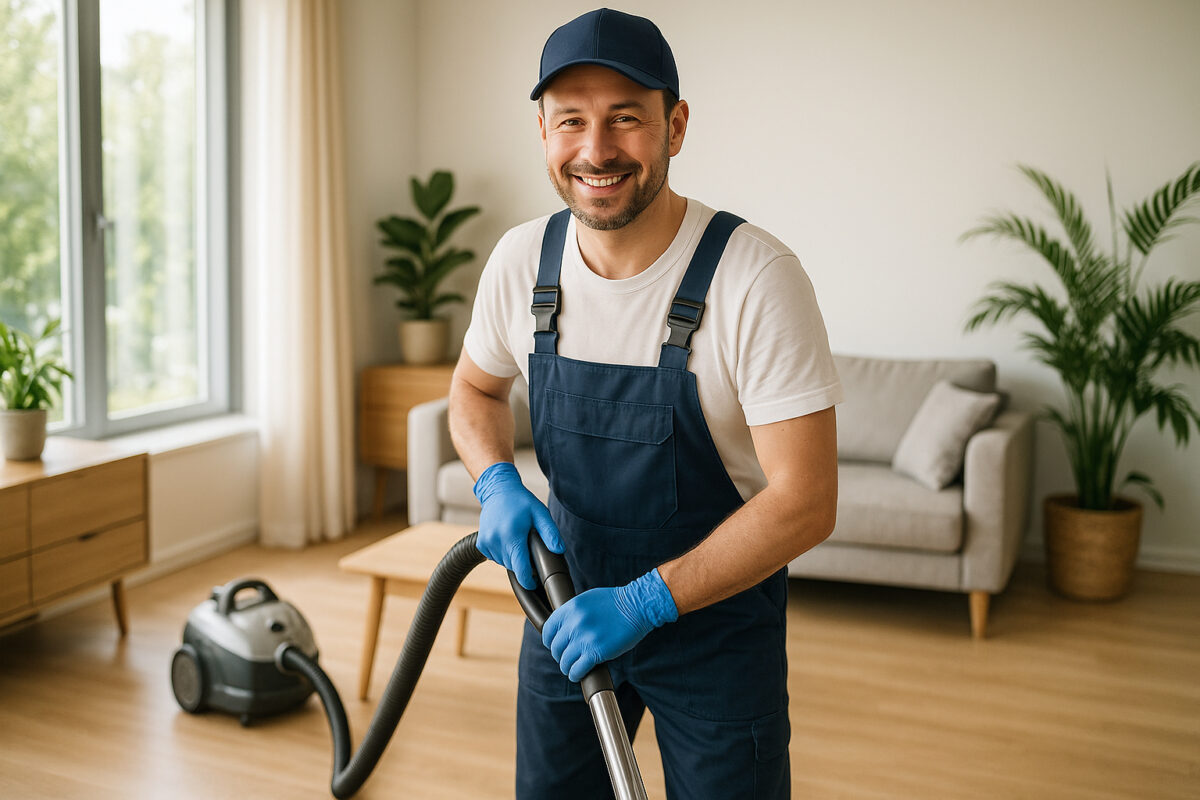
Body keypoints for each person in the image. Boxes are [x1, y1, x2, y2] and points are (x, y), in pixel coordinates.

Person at [448, 8, 842, 799]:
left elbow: (807, 502)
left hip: (716, 628)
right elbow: (474, 388)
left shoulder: (755, 277)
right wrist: (495, 480)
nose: (596, 150)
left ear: (676, 125)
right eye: (572, 122)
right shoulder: (523, 260)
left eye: (626, 119)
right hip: (565, 607)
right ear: (544, 132)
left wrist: (648, 599)